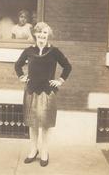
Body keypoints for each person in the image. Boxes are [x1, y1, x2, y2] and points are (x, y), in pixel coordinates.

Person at [15, 22, 72, 167]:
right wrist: (22, 76)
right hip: (31, 91)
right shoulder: (29, 51)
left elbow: (67, 66)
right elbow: (18, 65)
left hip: (48, 92)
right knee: (33, 124)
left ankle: (44, 152)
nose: (42, 35)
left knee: (45, 124)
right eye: (39, 32)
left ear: (48, 35)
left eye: (45, 33)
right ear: (35, 34)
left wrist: (60, 80)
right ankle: (34, 150)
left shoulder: (54, 51)